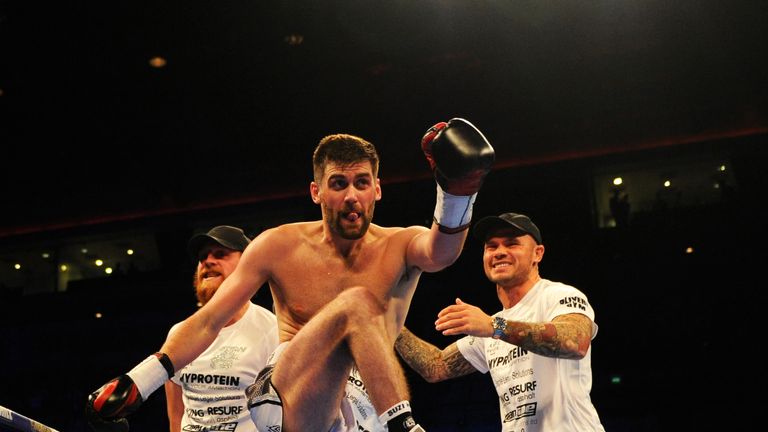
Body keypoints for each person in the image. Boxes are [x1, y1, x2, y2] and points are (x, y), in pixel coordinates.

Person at [86, 118, 495, 432]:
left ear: (377, 189)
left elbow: (442, 252)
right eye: (338, 183)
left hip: (365, 405)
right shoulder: (277, 245)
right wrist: (141, 379)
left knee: (356, 315)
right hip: (291, 397)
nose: (351, 195)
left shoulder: (401, 244)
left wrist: (457, 191)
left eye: (361, 182)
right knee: (355, 302)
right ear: (316, 191)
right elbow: (210, 319)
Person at [395, 212, 605, 431]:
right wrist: (387, 323)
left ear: (537, 254)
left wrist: (494, 327)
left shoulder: (557, 296)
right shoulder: (492, 326)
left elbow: (576, 341)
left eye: (512, 244)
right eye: (491, 246)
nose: (500, 252)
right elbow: (435, 366)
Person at [164, 225, 279, 432]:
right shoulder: (179, 333)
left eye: (220, 254)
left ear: (247, 263)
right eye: (202, 257)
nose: (207, 261)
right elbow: (176, 418)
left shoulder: (271, 330)